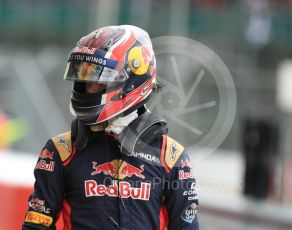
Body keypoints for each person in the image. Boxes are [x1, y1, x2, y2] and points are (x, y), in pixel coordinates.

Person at [22, 25, 199, 230]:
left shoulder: (171, 156)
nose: (90, 88)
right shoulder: (60, 151)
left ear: (132, 79)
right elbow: (36, 226)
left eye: (98, 80)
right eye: (86, 80)